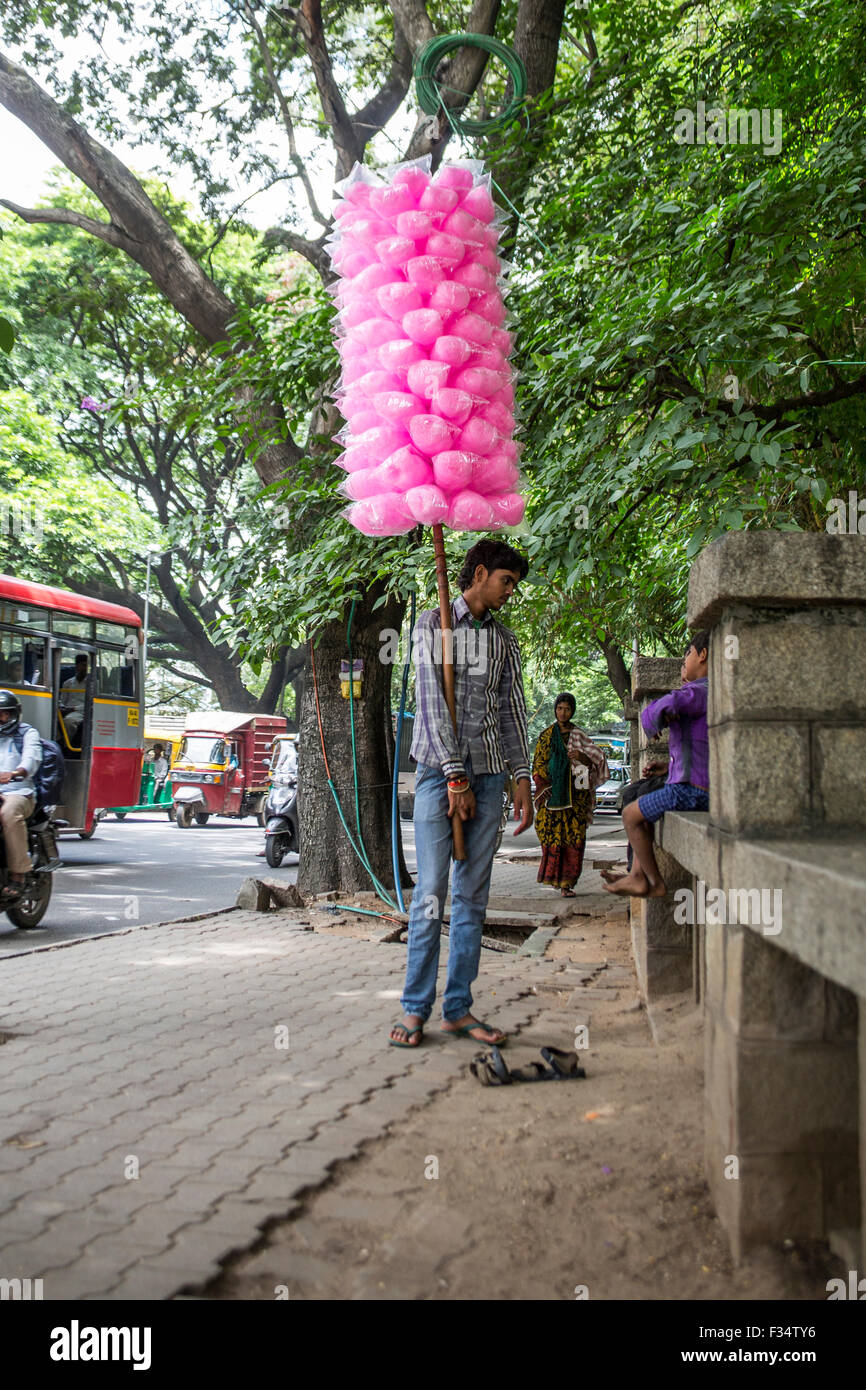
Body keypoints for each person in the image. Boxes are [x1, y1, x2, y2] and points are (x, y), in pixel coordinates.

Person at [389, 539, 534, 1049]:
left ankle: (458, 1008)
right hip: (436, 776)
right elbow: (430, 708)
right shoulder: (434, 626)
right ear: (478, 573)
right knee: (430, 895)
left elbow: (513, 712)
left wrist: (522, 777)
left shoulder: (505, 642)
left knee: (472, 899)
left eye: (514, 584)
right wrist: (454, 777)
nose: (510, 592)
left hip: (492, 778)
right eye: (506, 581)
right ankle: (414, 1008)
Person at [604, 632, 709, 899]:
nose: (683, 665)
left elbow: (670, 702)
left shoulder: (698, 691)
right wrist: (667, 767)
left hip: (690, 791)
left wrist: (652, 722)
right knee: (643, 803)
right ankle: (636, 874)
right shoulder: (711, 692)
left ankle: (652, 881)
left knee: (630, 814)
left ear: (703, 654)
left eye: (687, 657)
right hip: (694, 783)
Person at [532, 694, 608, 897]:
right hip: (553, 798)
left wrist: (581, 757)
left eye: (567, 709)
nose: (563, 712)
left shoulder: (579, 736)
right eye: (560, 708)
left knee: (574, 840)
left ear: (572, 711)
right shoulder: (546, 736)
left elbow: (597, 761)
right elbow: (538, 766)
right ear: (555, 710)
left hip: (575, 800)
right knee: (551, 836)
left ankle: (567, 884)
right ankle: (554, 879)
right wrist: (555, 772)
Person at [0, 689, 42, 904]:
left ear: (13, 714)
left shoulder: (27, 733)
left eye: (4, 714)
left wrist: (16, 773)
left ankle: (18, 873)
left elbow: (31, 758)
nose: (1, 719)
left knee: (8, 814)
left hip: (19, 793)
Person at [600, 754, 669, 882]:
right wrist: (668, 767)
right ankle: (634, 870)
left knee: (644, 794)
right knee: (630, 793)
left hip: (688, 781)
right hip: (676, 774)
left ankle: (639, 874)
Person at [60, 654, 89, 747]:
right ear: (76, 666)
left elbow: (91, 703)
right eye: (83, 665)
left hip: (82, 712)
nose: (85, 668)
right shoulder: (67, 683)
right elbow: (62, 700)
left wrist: (74, 709)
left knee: (68, 721)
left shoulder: (92, 683)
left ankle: (66, 747)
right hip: (68, 710)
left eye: (86, 665)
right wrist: (62, 708)